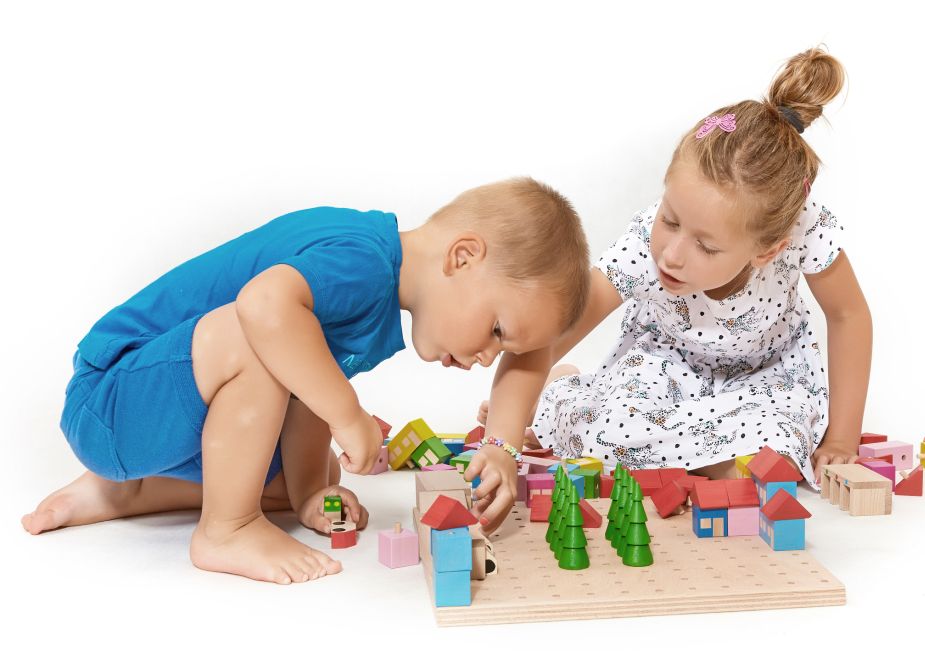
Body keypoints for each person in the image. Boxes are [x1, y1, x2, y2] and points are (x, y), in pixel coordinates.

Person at [22, 177, 591, 582]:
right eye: (496, 330)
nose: (487, 358)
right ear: (462, 257)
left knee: (311, 468)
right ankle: (226, 528)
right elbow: (263, 307)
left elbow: (303, 386)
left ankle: (123, 491)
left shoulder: (377, 293)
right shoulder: (362, 262)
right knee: (260, 333)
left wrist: (310, 490)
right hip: (111, 398)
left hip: (151, 421)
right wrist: (347, 414)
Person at [481, 47, 871, 487]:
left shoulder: (804, 229)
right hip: (662, 368)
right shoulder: (642, 248)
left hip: (767, 376)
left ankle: (707, 459)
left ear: (767, 251)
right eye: (669, 220)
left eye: (705, 246)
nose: (671, 254)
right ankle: (563, 389)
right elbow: (555, 328)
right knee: (611, 434)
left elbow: (848, 314)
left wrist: (842, 437)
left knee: (772, 462)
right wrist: (501, 441)